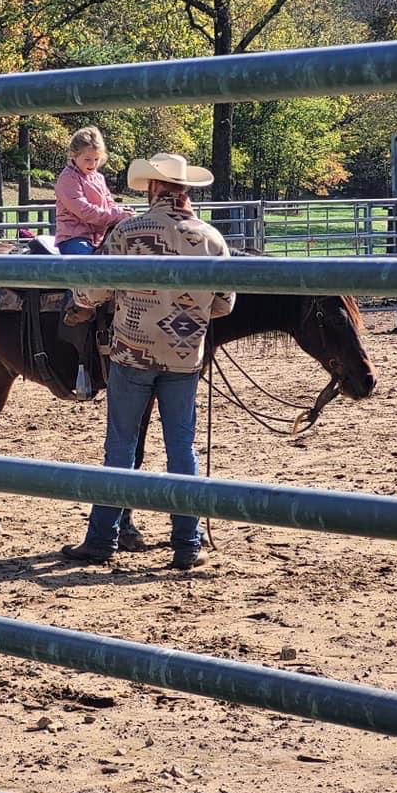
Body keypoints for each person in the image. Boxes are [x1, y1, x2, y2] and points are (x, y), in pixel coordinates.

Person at [61, 152, 236, 570]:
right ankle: (186, 542)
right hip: (182, 358)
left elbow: (92, 292)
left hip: (131, 353)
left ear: (154, 188)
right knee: (182, 448)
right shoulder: (210, 239)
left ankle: (103, 538)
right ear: (185, 191)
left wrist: (87, 300)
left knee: (119, 445)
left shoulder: (126, 232)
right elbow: (226, 304)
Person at [54, 126, 134, 255]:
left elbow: (109, 203)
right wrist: (117, 215)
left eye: (96, 159)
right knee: (88, 266)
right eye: (87, 159)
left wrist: (122, 212)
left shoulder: (99, 178)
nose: (93, 164)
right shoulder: (68, 178)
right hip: (74, 237)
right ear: (74, 155)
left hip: (99, 236)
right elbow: (85, 211)